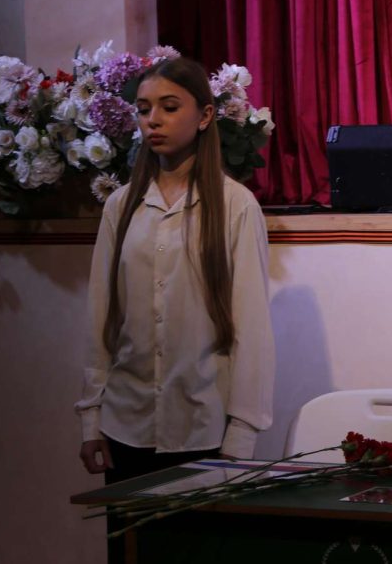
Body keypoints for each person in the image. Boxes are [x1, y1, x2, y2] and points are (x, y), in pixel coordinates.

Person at [75, 56, 275, 488]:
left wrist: (242, 434)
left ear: (204, 116)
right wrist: (91, 417)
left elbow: (252, 326)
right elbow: (101, 317)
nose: (153, 120)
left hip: (203, 428)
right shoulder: (121, 205)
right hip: (125, 427)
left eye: (169, 107)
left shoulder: (235, 205)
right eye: (144, 109)